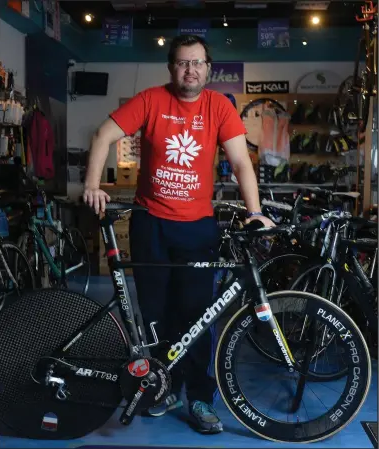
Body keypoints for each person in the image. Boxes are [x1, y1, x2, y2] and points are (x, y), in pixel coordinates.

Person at [83, 34, 275, 435]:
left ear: (208, 68)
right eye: (183, 63)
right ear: (172, 68)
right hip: (150, 222)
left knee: (196, 315)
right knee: (155, 312)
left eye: (198, 63)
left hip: (197, 227)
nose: (191, 70)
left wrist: (255, 212)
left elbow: (241, 163)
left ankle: (200, 397)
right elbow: (102, 135)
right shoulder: (151, 100)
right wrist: (92, 184)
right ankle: (161, 388)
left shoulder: (219, 107)